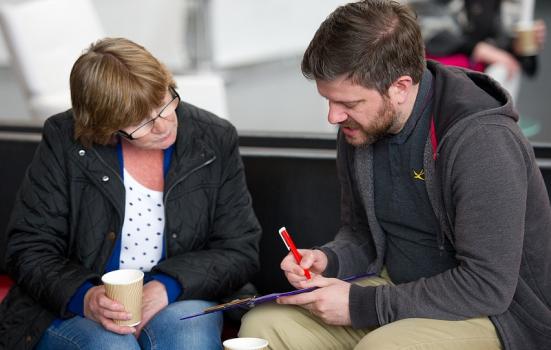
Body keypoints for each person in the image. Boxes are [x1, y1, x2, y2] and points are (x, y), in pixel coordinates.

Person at [238, 1, 551, 349]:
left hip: (495, 313)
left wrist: (360, 305)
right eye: (329, 101)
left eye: (349, 104)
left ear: (400, 87)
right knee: (261, 326)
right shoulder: (360, 127)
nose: (333, 117)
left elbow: (486, 287)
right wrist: (328, 259)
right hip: (394, 288)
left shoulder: (482, 139)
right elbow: (362, 235)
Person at [0, 37, 261, 349]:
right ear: (105, 128)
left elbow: (240, 249)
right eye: (141, 123)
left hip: (182, 296)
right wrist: (86, 297)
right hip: (75, 307)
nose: (163, 126)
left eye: (165, 103)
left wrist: (168, 286)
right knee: (113, 346)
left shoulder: (214, 137)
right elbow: (27, 248)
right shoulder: (64, 140)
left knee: (188, 340)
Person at [410, 0, 546, 105]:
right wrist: (476, 48)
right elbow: (421, 22)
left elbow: (524, 61)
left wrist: (518, 45)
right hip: (438, 65)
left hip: (487, 75)